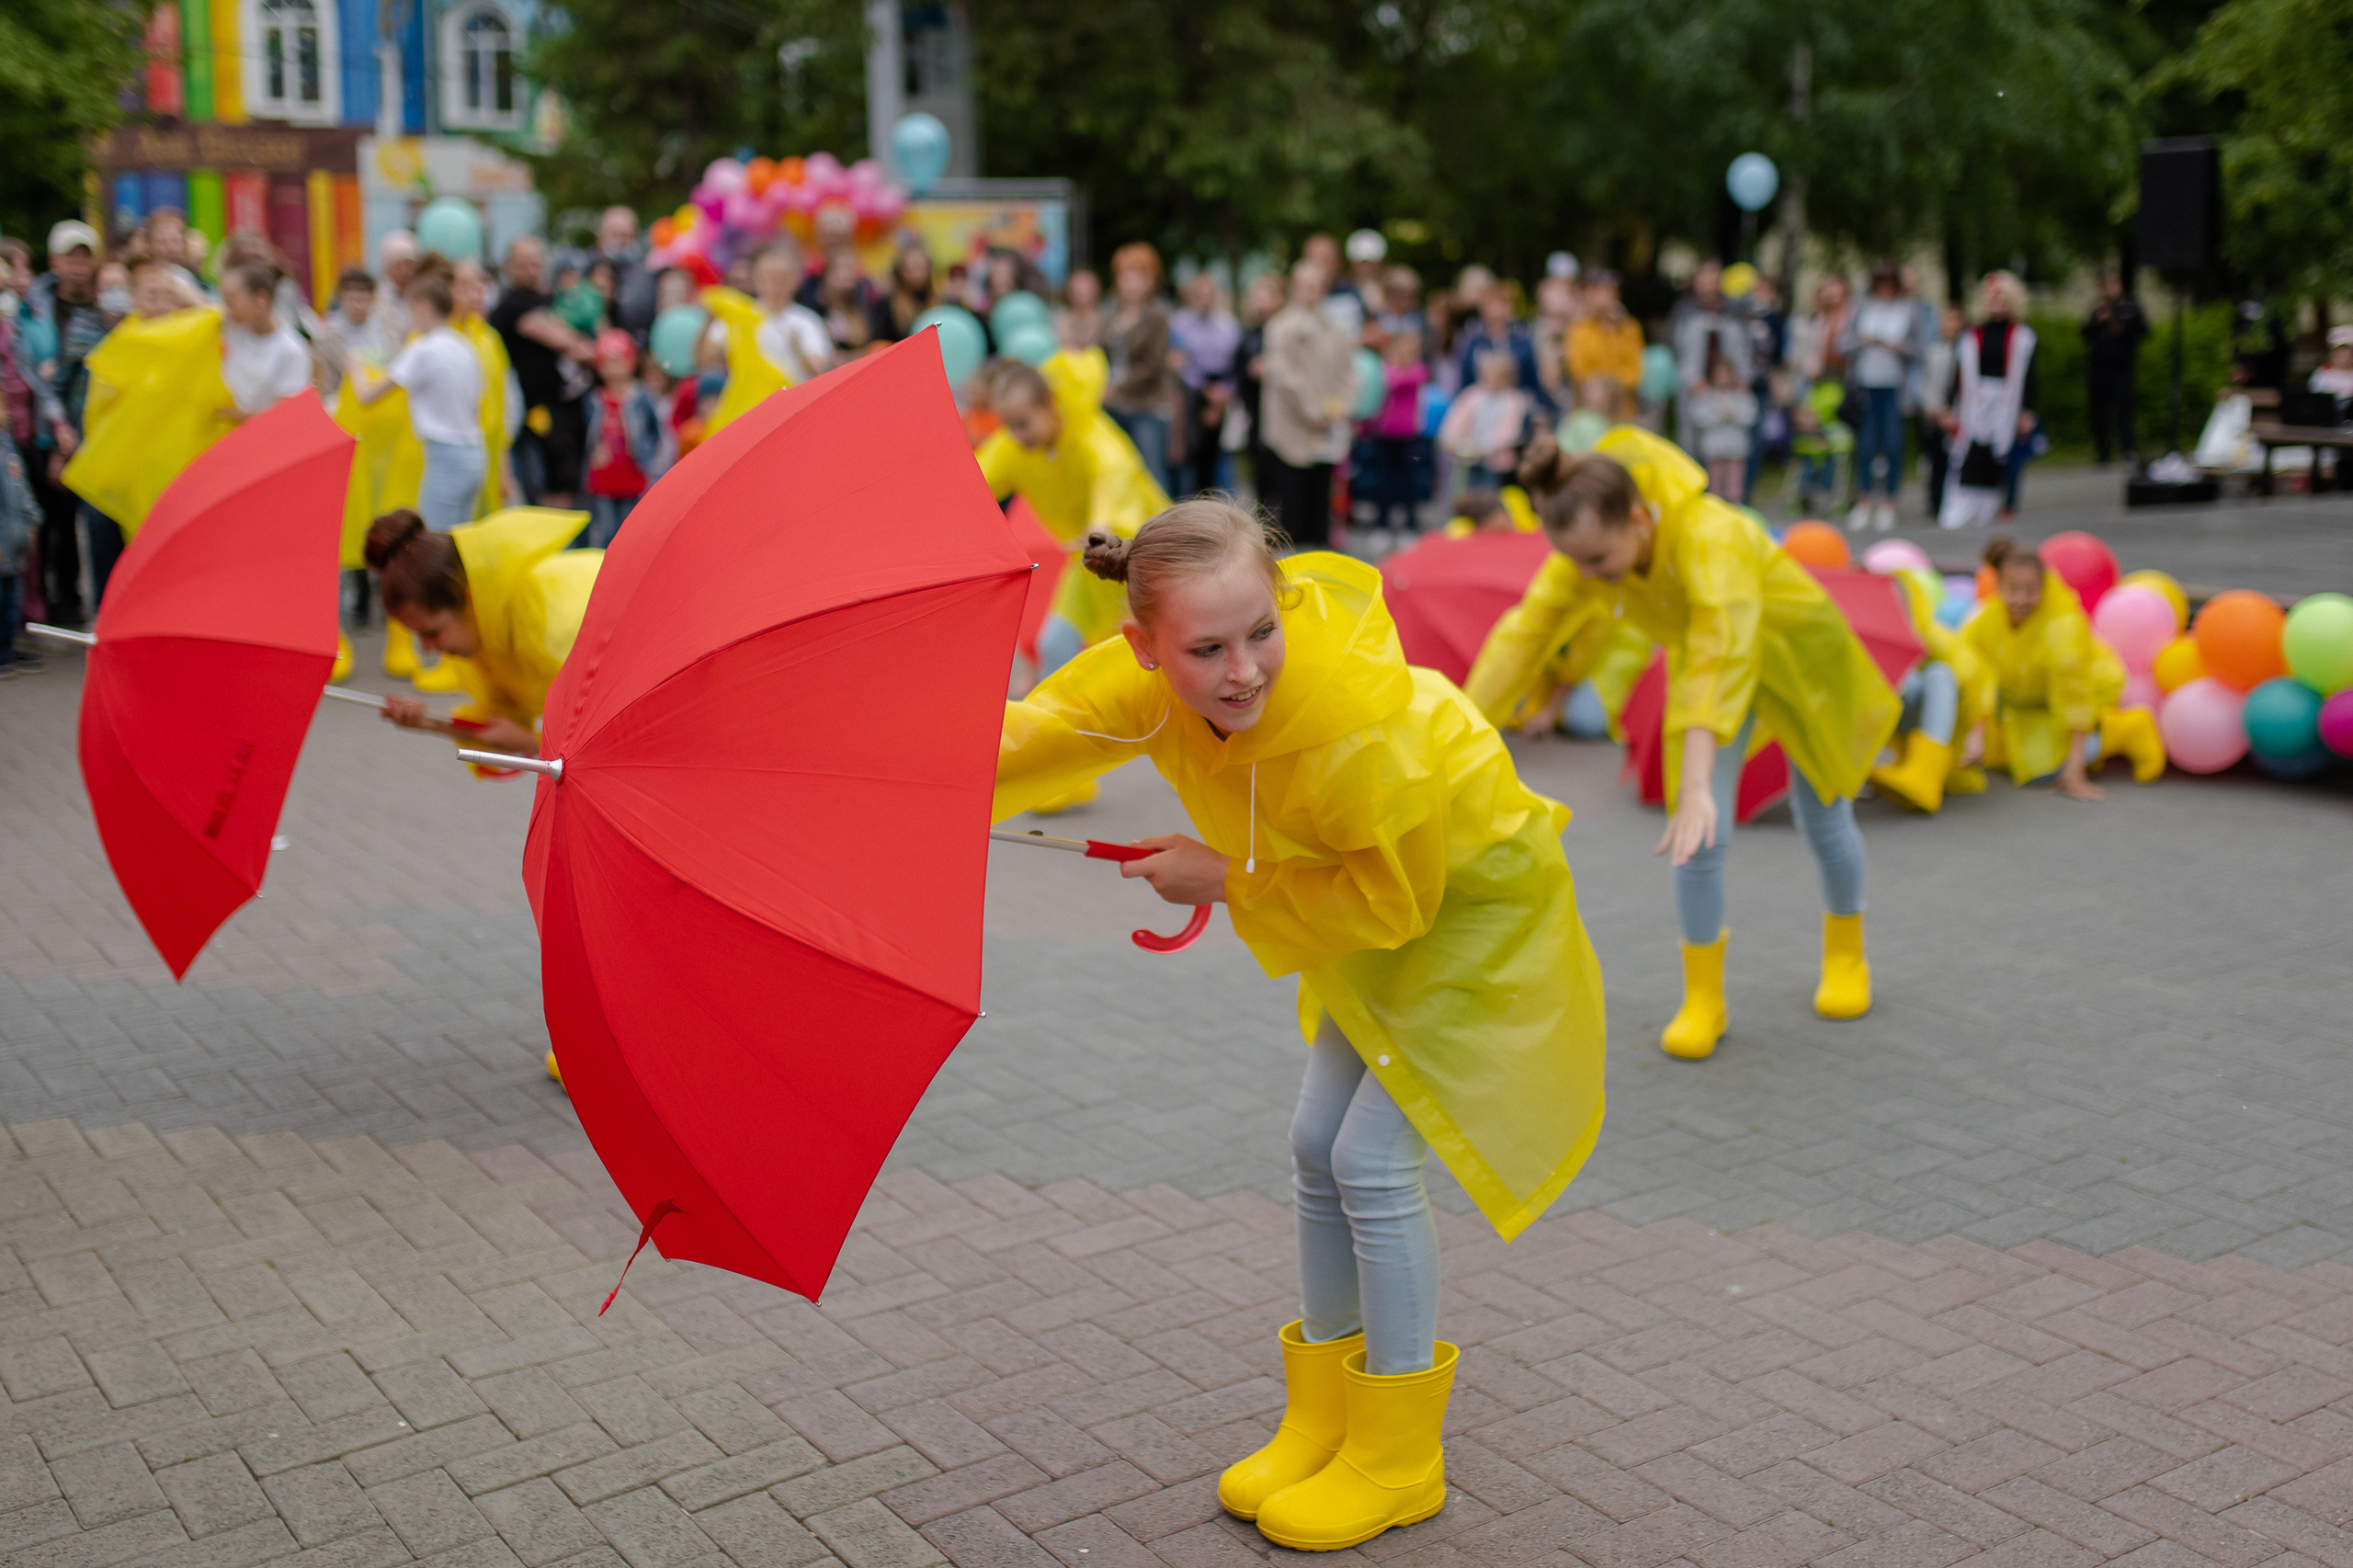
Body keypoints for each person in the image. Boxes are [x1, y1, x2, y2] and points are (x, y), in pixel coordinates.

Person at [995, 502, 1604, 1551]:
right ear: (1141, 646)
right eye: (1205, 649)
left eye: (1261, 631)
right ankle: (1324, 1418)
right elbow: (1023, 737)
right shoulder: (1135, 681)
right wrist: (856, 761)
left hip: (1469, 907)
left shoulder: (1351, 728)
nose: (1242, 670)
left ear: (1281, 601)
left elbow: (1396, 906)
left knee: (1369, 1156)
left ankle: (1401, 1455)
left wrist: (1218, 877)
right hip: (1358, 893)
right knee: (1312, 1143)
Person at [1500, 426, 1898, 1059]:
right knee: (1695, 838)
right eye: (1575, 563)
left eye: (1597, 561)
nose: (1587, 577)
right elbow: (1525, 632)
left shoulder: (1712, 535)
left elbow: (1723, 646)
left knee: (1821, 815)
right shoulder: (1590, 544)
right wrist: (1458, 721)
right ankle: (1702, 997)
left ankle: (1848, 954)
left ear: (1637, 518)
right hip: (1713, 668)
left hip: (1799, 663)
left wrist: (1694, 782)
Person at [366, 504, 597, 1081]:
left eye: (431, 633)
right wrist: (435, 725)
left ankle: (610, 1048)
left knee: (598, 902)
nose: (430, 651)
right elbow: (514, 733)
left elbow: (614, 735)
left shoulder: (552, 615)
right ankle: (599, 1042)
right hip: (602, 776)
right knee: (577, 901)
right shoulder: (488, 631)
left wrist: (530, 737)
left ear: (465, 598)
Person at [974, 353, 1170, 678]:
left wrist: (1101, 524)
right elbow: (973, 482)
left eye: (1023, 423)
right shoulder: (1014, 450)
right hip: (1090, 566)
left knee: (1146, 654)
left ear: (1050, 404)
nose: (1017, 434)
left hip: (1142, 560)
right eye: (1009, 426)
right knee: (1054, 647)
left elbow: (1113, 473)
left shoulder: (1088, 432)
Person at [1958, 538, 2165, 800]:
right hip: (2035, 701)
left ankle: (2126, 729)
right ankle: (2079, 753)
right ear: (1998, 587)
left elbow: (2076, 698)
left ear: (2043, 588)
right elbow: (1974, 674)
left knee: (2044, 771)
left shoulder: (2061, 627)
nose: (2021, 599)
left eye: (2030, 590)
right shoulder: (1988, 619)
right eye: (2012, 590)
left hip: (2089, 692)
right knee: (1998, 759)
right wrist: (1976, 733)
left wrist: (2073, 772)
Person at [356, 263, 485, 532]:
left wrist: (354, 364)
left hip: (445, 455)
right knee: (458, 542)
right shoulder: (465, 347)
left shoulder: (422, 349)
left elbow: (368, 396)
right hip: (474, 452)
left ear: (423, 305)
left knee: (434, 544)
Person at [1867, 570, 1985, 814]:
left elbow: (1973, 683)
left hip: (1925, 728)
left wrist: (1976, 733)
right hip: (1881, 738)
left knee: (1939, 674)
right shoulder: (1861, 640)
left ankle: (1924, 772)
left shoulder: (1935, 638)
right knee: (1900, 678)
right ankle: (1884, 762)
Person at [489, 235, 595, 508]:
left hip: (566, 407)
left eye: (536, 264)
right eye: (523, 265)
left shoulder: (550, 299)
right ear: (509, 267)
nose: (531, 271)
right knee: (546, 484)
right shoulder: (512, 305)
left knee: (569, 480)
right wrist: (588, 348)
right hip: (536, 415)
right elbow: (560, 338)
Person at [1260, 260, 1356, 547]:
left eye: (1318, 286)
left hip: (1326, 425)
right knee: (1293, 497)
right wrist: (1312, 410)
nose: (1312, 292)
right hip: (1292, 425)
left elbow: (1347, 372)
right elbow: (1285, 377)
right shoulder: (1281, 326)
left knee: (1321, 493)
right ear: (1295, 288)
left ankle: (1320, 552)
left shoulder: (1333, 328)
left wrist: (1339, 407)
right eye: (1306, 286)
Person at [1938, 272, 2038, 528]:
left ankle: (1996, 506)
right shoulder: (1972, 336)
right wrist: (1949, 407)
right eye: (1992, 300)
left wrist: (2027, 410)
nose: (1997, 305)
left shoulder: (2023, 337)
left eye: (2002, 300)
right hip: (1974, 402)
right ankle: (1960, 509)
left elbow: (2029, 377)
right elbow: (1957, 374)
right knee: (1967, 453)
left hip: (2006, 402)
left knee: (2002, 455)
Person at [1839, 262, 1919, 531]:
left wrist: (1900, 347)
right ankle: (1864, 501)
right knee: (1865, 445)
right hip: (1866, 387)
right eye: (1880, 284)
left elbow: (1920, 348)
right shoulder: (1863, 308)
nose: (1885, 289)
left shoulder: (1909, 310)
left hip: (1895, 388)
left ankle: (1889, 503)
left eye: (1890, 284)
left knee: (1894, 445)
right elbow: (1843, 342)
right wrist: (1864, 340)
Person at [1100, 244, 1178, 494]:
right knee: (1117, 473)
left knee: (1152, 476)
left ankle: (1164, 531)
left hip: (1146, 406)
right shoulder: (1110, 316)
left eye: (1139, 277)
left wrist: (1118, 387)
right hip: (1113, 406)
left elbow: (1154, 365)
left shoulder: (1157, 316)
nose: (1132, 283)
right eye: (1126, 276)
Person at [451, 259, 518, 517]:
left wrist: (505, 466)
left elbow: (505, 404)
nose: (476, 294)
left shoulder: (489, 338)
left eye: (480, 286)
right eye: (466, 287)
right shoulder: (435, 338)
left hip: (488, 458)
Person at [583, 330, 659, 546]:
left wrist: (649, 458)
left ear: (631, 363)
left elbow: (655, 431)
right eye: (608, 363)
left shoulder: (641, 397)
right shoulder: (595, 398)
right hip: (603, 475)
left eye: (619, 362)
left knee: (631, 533)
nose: (614, 369)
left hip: (634, 473)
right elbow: (588, 434)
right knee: (606, 532)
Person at [1169, 269, 1241, 497]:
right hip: (1192, 391)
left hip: (1221, 389)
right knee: (1190, 453)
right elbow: (1180, 363)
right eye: (1199, 294)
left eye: (1208, 294)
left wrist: (1222, 395)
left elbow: (1235, 363)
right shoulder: (1179, 323)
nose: (1204, 299)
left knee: (1217, 454)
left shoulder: (1227, 325)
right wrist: (1203, 390)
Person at [1672, 262, 1754, 458]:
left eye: (1714, 279)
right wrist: (1692, 380)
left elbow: (1743, 349)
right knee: (1689, 441)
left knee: (1727, 443)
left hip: (1728, 385)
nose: (1709, 285)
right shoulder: (1684, 310)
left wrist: (1741, 378)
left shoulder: (1734, 312)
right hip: (1693, 386)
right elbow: (1676, 348)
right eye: (1704, 279)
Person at [218, 258, 313, 420]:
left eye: (231, 300)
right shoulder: (234, 328)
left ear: (261, 299)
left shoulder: (291, 350)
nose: (226, 307)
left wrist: (225, 414)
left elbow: (282, 416)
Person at [1358, 327, 1429, 532]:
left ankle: (1410, 522)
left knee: (1408, 479)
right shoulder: (1385, 369)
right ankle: (1382, 521)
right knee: (1383, 479)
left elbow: (1398, 381)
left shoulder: (1418, 371)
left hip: (1408, 435)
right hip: (1384, 434)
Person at [1436, 349, 1531, 496]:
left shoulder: (1514, 400)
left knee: (1488, 499)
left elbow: (1509, 432)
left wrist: (1483, 448)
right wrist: (1452, 441)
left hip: (1495, 464)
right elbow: (1455, 422)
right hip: (1467, 460)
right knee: (1462, 496)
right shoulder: (1472, 395)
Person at [2082, 270, 2147, 467]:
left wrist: (2122, 328)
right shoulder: (2098, 308)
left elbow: (2142, 331)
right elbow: (2085, 334)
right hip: (2099, 368)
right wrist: (2097, 322)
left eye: (2112, 284)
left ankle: (2128, 450)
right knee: (2099, 411)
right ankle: (2103, 452)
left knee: (2124, 410)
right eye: (2105, 285)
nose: (2109, 289)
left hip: (2122, 368)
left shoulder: (2130, 307)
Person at [1565, 270, 1643, 422]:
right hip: (1589, 409)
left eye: (1609, 291)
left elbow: (1635, 371)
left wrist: (1615, 329)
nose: (1604, 297)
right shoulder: (1578, 329)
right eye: (1598, 291)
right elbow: (1578, 371)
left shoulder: (1629, 328)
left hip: (1623, 409)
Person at [1684, 348, 1758, 503]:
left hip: (1735, 447)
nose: (1723, 377)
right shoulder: (1706, 396)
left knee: (1734, 487)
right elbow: (1699, 417)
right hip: (1714, 448)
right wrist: (1718, 416)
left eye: (1726, 373)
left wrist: (1733, 416)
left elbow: (1751, 415)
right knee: (1715, 487)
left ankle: (1735, 512)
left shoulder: (1740, 395)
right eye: (1719, 374)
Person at [1918, 305, 1962, 517]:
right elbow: (1927, 384)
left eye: (1954, 320)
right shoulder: (1934, 351)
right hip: (1937, 415)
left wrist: (1956, 413)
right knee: (1936, 462)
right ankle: (1935, 503)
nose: (1950, 325)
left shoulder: (1966, 352)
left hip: (1959, 415)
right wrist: (1935, 411)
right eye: (1947, 321)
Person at [597, 206, 658, 342]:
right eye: (617, 234)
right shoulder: (587, 269)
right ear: (601, 235)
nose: (623, 241)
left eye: (628, 235)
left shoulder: (646, 274)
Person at [873, 244, 936, 345]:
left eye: (921, 268)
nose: (917, 275)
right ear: (901, 271)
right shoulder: (887, 306)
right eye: (911, 269)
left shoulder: (940, 303)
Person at [375, 231, 420, 344]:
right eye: (399, 266)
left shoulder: (421, 295)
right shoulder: (376, 298)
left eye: (410, 265)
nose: (405, 271)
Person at [1053, 267, 1106, 351]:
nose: (1082, 291)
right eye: (1078, 288)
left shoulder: (1106, 322)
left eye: (1086, 287)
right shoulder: (1060, 320)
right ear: (1069, 293)